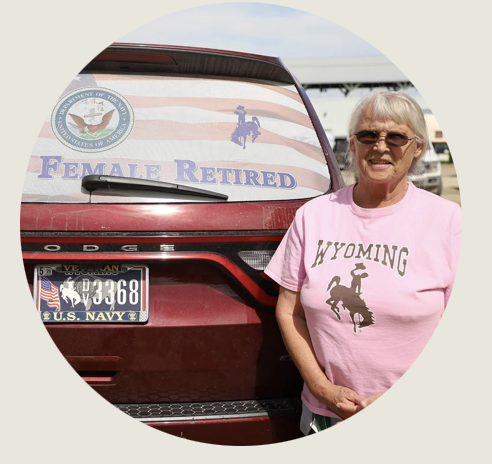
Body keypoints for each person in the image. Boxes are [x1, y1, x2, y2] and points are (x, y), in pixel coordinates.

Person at [264, 91, 461, 435]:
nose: (380, 146)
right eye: (368, 135)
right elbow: (288, 311)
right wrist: (324, 390)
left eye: (396, 136)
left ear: (417, 148)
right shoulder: (314, 216)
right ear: (352, 145)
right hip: (325, 418)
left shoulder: (447, 221)